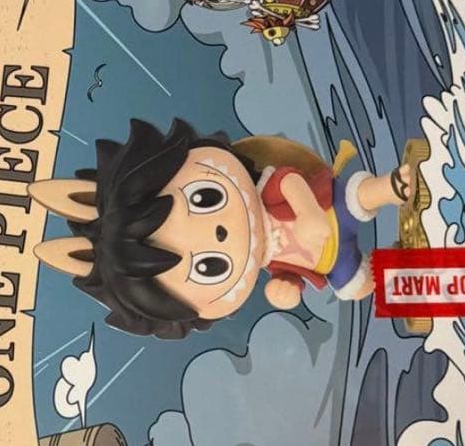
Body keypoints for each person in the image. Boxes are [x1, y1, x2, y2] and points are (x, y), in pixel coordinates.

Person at [30, 119, 419, 340]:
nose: (220, 235)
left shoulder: (266, 196)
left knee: (356, 197)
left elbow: (288, 180)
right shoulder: (266, 258)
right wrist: (284, 289)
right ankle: (404, 271)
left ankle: (393, 187)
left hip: (327, 209)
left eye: (205, 198)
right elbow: (286, 276)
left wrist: (307, 213)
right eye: (209, 266)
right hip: (328, 262)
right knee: (354, 286)